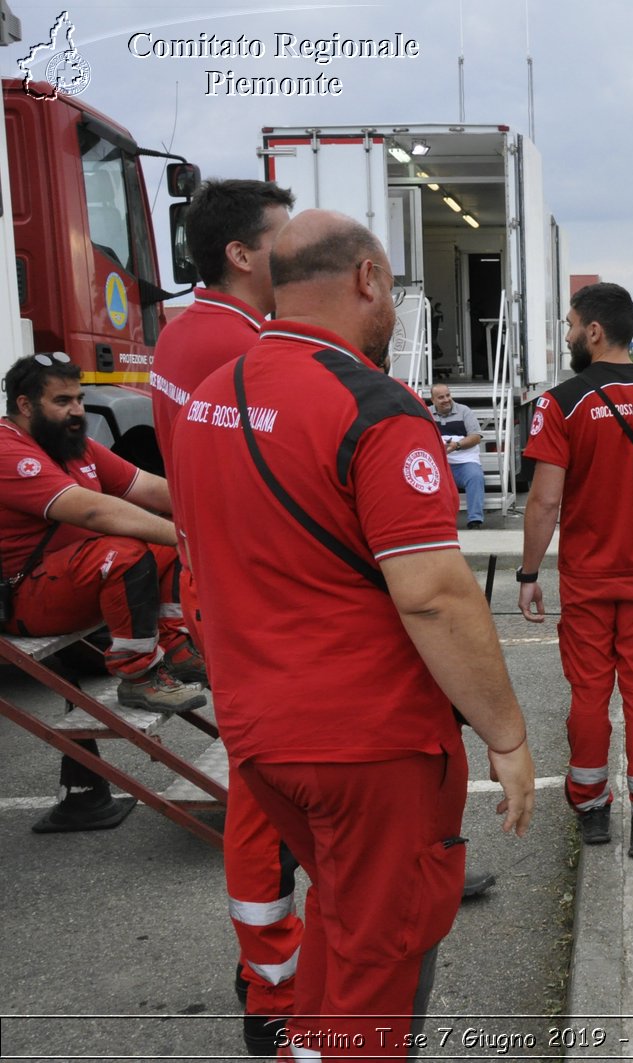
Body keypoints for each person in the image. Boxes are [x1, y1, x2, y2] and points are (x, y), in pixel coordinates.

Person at [168, 209, 536, 1060]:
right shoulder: (375, 406)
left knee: (336, 930)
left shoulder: (210, 397)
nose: (395, 311)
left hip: (262, 738)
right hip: (368, 746)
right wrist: (507, 734)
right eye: (393, 289)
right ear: (368, 279)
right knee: (380, 971)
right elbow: (435, 595)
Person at [149, 177, 303, 1057]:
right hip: (251, 589)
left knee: (272, 772)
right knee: (267, 782)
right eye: (284, 239)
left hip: (228, 580)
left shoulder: (198, 330)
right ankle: (270, 979)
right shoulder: (229, 344)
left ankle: (278, 960)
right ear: (244, 254)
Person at [519, 282, 633, 859]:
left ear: (594, 331)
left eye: (572, 323)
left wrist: (528, 575)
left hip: (586, 575)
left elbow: (545, 502)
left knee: (589, 693)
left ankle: (592, 807)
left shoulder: (561, 401)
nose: (570, 333)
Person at [0, 354, 204, 715]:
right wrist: (189, 536)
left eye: (78, 399)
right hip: (27, 596)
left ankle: (175, 648)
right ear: (25, 405)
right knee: (128, 551)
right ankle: (139, 676)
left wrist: (221, 513)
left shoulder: (70, 443)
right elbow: (91, 510)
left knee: (164, 539)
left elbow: (150, 488)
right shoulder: (8, 449)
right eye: (62, 401)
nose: (78, 410)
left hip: (76, 576)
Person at [429, 382, 486, 529]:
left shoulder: (464, 411)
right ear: (433, 400)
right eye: (441, 397)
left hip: (465, 462)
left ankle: (475, 520)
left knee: (475, 477)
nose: (446, 399)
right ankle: (439, 522)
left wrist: (457, 445)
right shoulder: (427, 413)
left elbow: (476, 436)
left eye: (448, 395)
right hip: (439, 462)